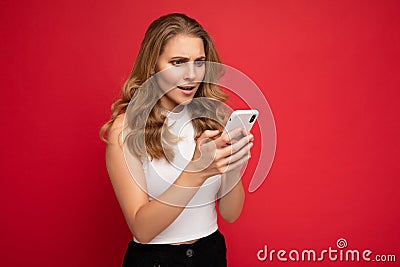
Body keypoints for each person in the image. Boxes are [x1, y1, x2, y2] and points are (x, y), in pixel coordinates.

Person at [100, 13, 254, 267]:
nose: (192, 75)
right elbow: (142, 229)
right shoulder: (125, 129)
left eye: (200, 62)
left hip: (211, 253)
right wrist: (196, 172)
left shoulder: (209, 119)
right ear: (153, 65)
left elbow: (230, 213)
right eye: (178, 62)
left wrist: (233, 166)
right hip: (156, 260)